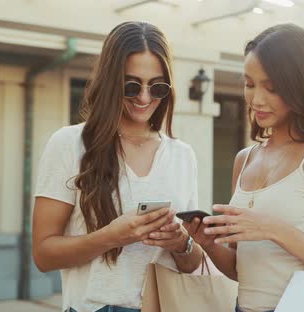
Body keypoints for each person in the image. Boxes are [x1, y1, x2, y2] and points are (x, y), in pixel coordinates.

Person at [184, 23, 304, 312]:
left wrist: (274, 229)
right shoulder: (244, 159)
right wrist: (207, 243)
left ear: (300, 86)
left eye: (271, 87)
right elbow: (238, 269)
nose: (257, 99)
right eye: (249, 84)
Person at [32, 21, 203, 312]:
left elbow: (192, 263)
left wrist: (182, 242)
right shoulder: (69, 143)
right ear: (110, 80)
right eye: (131, 85)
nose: (145, 97)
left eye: (157, 86)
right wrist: (112, 237)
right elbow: (43, 255)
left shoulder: (182, 155)